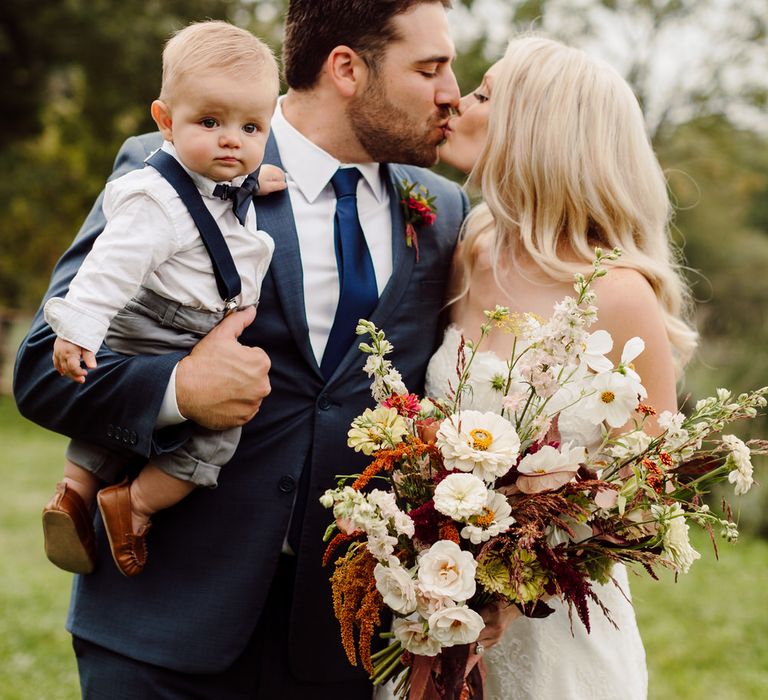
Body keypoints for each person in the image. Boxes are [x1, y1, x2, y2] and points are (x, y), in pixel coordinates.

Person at [14, 1, 466, 698]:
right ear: (346, 68)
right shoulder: (174, 168)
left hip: (334, 648)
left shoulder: (441, 212)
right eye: (430, 68)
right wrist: (179, 390)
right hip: (161, 633)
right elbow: (42, 367)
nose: (451, 93)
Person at [430, 36, 698, 699]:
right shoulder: (468, 250)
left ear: (537, 129)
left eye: (484, 95)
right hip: (433, 616)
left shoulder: (619, 292)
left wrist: (518, 584)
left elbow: (651, 490)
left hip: (561, 641)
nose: (456, 102)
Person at [41, 20, 283, 579]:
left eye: (251, 127)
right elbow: (110, 266)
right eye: (211, 122)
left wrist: (259, 175)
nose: (232, 141)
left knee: (122, 410)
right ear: (165, 121)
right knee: (218, 430)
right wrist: (78, 328)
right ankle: (135, 505)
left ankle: (73, 494)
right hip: (165, 320)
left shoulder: (224, 175)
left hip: (171, 321)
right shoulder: (153, 198)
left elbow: (236, 185)